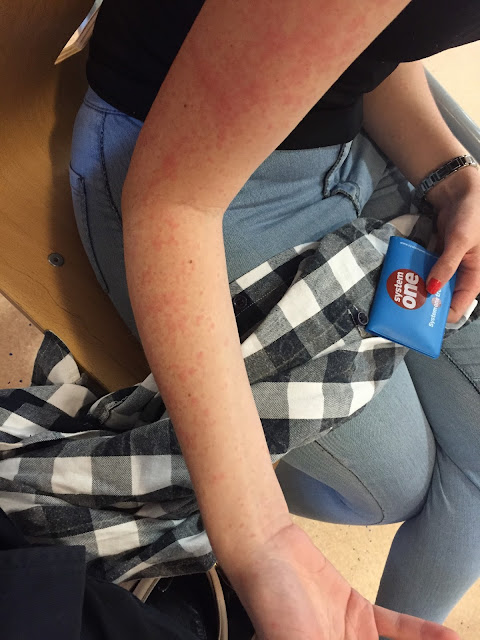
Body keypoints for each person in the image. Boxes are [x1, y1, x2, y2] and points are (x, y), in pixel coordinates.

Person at [69, 0, 480, 637]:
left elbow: (377, 33)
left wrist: (452, 176)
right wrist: (261, 541)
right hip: (191, 162)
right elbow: (175, 202)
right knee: (393, 489)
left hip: (349, 124)